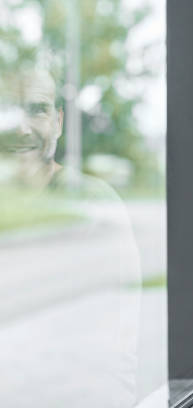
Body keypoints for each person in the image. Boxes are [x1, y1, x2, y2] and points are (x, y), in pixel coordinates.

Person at [0, 62, 141, 407]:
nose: (22, 127)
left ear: (59, 122)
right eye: (9, 109)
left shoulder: (97, 205)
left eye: (38, 110)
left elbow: (120, 350)